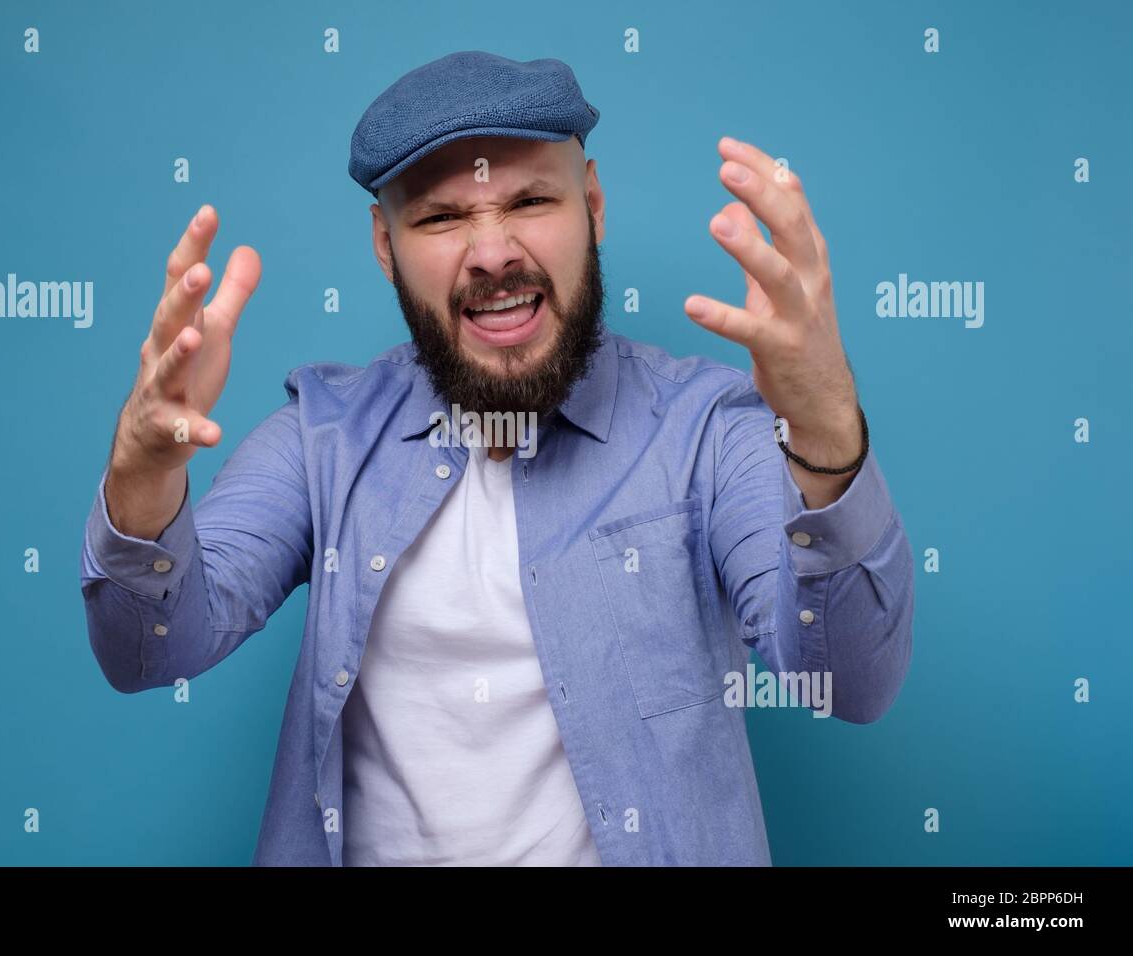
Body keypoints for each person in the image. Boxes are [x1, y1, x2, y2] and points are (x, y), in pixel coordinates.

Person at [79, 51, 914, 866]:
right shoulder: (321, 438)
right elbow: (150, 650)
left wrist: (825, 429)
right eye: (442, 218)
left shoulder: (705, 428)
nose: (492, 253)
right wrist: (145, 470)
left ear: (592, 204)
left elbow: (850, 679)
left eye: (532, 201)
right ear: (384, 244)